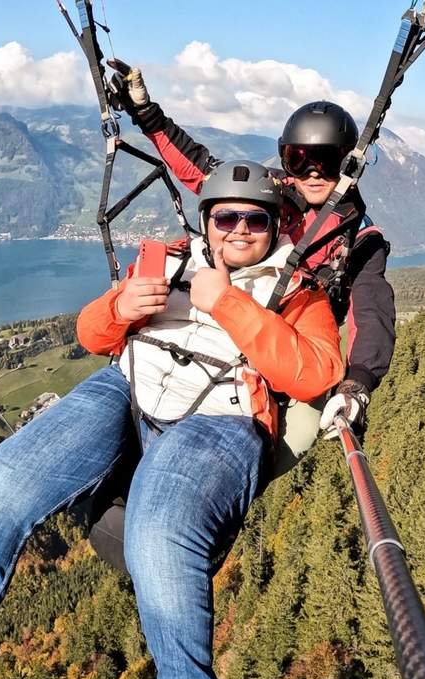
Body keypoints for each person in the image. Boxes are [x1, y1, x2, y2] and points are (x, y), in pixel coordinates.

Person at [0, 161, 343, 679]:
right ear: (206, 220)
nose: (238, 230)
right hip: (128, 385)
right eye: (225, 217)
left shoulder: (295, 291)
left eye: (254, 220)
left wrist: (226, 304)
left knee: (160, 533)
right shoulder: (166, 261)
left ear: (275, 224)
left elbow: (314, 373)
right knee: (10, 473)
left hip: (221, 418)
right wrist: (120, 308)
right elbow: (90, 335)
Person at [107, 61, 396, 450]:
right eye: (298, 159)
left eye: (327, 161)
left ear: (350, 163)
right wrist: (146, 113)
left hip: (290, 341)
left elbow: (371, 312)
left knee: (298, 435)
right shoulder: (272, 191)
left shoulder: (360, 239)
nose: (312, 172)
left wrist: (357, 383)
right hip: (229, 317)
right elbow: (203, 172)